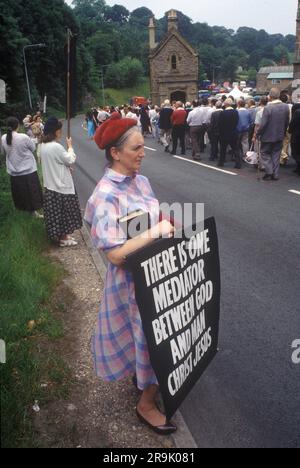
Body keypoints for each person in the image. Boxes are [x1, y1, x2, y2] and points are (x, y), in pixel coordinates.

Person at [84, 112, 177, 435]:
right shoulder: (105, 196)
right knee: (150, 339)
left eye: (143, 147)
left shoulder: (141, 180)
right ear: (115, 153)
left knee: (152, 338)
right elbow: (115, 254)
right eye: (137, 148)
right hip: (131, 285)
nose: (143, 153)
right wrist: (156, 232)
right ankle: (147, 404)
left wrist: (165, 225)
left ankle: (143, 384)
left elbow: (150, 216)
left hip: (156, 276)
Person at [40, 117, 82, 246]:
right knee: (65, 213)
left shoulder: (43, 145)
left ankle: (63, 236)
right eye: (59, 130)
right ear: (56, 131)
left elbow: (57, 162)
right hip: (61, 186)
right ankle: (63, 239)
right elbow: (70, 159)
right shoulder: (56, 147)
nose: (61, 133)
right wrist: (70, 147)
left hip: (51, 184)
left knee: (57, 215)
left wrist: (65, 167)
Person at [1, 117, 43, 216]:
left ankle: (27, 213)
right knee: (31, 193)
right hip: (28, 170)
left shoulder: (3, 138)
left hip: (14, 172)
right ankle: (33, 213)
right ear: (18, 126)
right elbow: (33, 148)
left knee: (21, 194)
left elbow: (3, 153)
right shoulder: (23, 137)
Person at [256, 88, 290, 181]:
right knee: (276, 155)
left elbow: (263, 124)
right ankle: (275, 174)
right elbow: (287, 122)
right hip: (279, 135)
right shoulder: (285, 106)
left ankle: (269, 172)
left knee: (264, 153)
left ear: (270, 96)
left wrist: (258, 133)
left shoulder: (268, 108)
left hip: (267, 135)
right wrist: (283, 132)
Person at [218, 99, 239, 168]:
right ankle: (238, 163)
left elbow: (220, 124)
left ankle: (221, 162)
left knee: (223, 149)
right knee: (235, 148)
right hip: (233, 132)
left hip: (224, 133)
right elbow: (237, 121)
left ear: (226, 104)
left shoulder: (223, 113)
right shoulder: (235, 112)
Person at [288, 103, 300, 176]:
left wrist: (290, 130)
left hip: (297, 136)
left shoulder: (297, 112)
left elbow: (292, 124)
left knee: (296, 153)